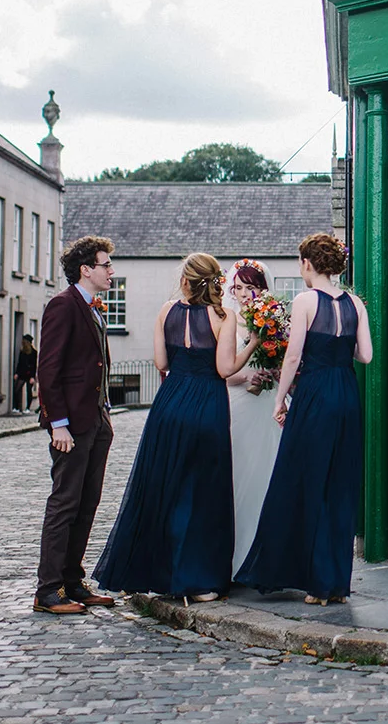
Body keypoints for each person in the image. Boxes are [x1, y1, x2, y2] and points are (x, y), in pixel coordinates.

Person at [94, 253, 254, 601]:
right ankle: (197, 582)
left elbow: (161, 362)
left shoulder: (167, 311)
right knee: (204, 493)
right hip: (207, 403)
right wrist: (253, 343)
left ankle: (160, 574)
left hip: (169, 404)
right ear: (215, 281)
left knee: (164, 486)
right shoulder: (223, 316)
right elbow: (225, 369)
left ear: (185, 279)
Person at [236, 234, 371, 605]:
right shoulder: (356, 303)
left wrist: (281, 401)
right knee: (340, 485)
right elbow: (366, 355)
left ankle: (314, 582)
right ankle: (336, 585)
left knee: (305, 482)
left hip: (314, 394)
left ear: (308, 264)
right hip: (346, 392)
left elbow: (293, 358)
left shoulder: (305, 300)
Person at [33, 235, 118, 615]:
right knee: (64, 503)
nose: (111, 271)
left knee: (87, 503)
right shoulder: (63, 305)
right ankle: (47, 591)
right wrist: (59, 424)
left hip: (96, 419)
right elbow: (48, 369)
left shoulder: (94, 308)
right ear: (86, 270)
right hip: (71, 425)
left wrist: (104, 412)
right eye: (106, 265)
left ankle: (72, 581)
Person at [222, 259, 284, 577]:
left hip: (267, 403)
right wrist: (250, 377)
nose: (245, 294)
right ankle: (234, 558)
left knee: (269, 473)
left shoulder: (273, 320)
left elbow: (284, 359)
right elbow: (224, 370)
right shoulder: (228, 320)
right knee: (239, 474)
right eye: (239, 288)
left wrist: (272, 373)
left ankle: (268, 558)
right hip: (239, 404)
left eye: (251, 287)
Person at [12, 334, 38, 415]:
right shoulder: (22, 352)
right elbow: (19, 363)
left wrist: (33, 377)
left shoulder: (34, 352)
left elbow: (34, 365)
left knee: (28, 391)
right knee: (17, 389)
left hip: (29, 374)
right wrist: (16, 373)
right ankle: (17, 407)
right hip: (22, 373)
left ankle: (27, 408)